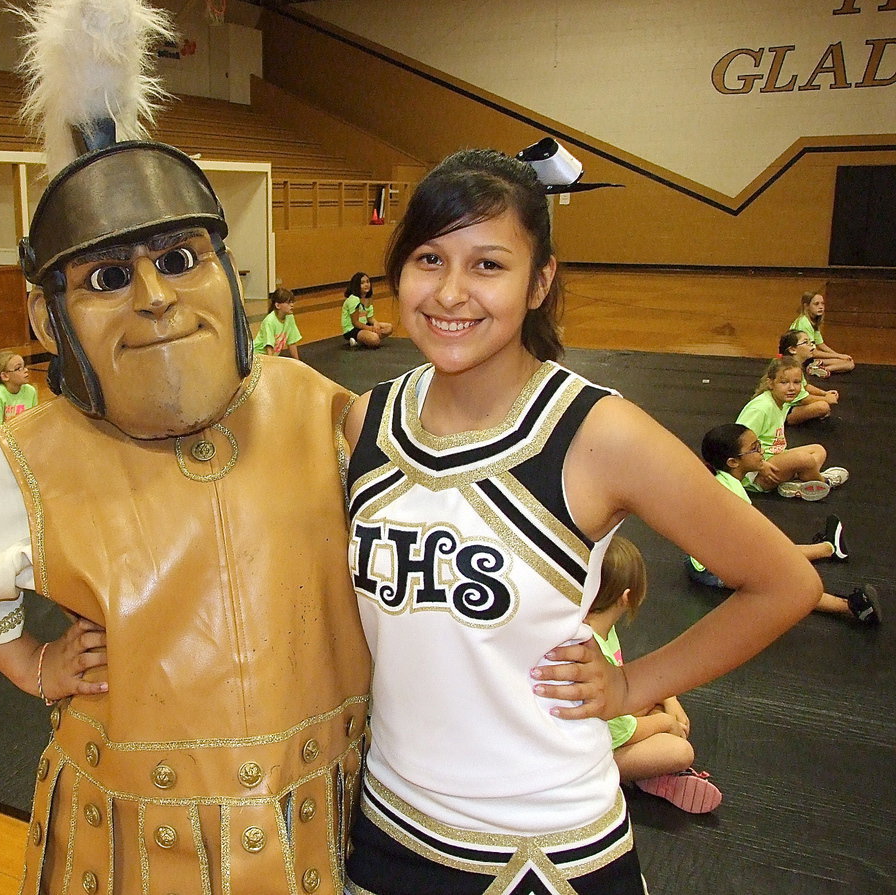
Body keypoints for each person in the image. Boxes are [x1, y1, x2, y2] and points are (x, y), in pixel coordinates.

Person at [0, 3, 394, 891]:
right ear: (49, 317)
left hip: (316, 793)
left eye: (181, 258)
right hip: (143, 824)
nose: (154, 294)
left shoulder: (306, 401)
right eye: (110, 277)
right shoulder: (42, 451)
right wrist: (34, 663)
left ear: (227, 274)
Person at [341, 147, 821, 894]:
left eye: (488, 265)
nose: (452, 291)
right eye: (430, 258)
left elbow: (783, 581)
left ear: (541, 281)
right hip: (390, 827)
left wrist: (633, 687)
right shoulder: (366, 421)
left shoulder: (597, 433)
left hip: (545, 848)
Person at [686, 423, 880, 624]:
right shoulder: (735, 498)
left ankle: (828, 549)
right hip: (710, 570)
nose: (761, 452)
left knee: (776, 554)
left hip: (710, 556)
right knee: (782, 584)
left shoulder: (722, 480)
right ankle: (851, 607)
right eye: (755, 449)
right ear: (733, 462)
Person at [586, 536, 722, 814]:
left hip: (604, 725)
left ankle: (652, 776)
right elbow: (619, 733)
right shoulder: (591, 648)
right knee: (680, 752)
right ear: (627, 597)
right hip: (587, 753)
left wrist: (666, 696)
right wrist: (662, 723)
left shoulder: (597, 628)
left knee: (657, 703)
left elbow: (623, 681)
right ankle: (649, 775)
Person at [735, 356, 848, 500]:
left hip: (774, 458)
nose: (791, 388)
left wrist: (825, 396)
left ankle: (796, 484)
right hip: (758, 473)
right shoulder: (761, 408)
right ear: (771, 383)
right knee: (805, 459)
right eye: (784, 382)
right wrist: (761, 467)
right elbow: (738, 442)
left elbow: (808, 398)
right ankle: (825, 482)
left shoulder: (783, 401)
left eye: (797, 382)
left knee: (818, 450)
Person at [777, 329, 839, 425]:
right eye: (806, 342)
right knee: (823, 406)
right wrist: (826, 399)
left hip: (791, 403)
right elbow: (802, 398)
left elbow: (805, 386)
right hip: (783, 408)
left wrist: (824, 393)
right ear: (792, 349)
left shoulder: (796, 366)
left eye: (811, 342)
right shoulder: (789, 369)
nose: (812, 346)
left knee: (823, 406)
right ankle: (786, 419)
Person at [791, 290, 854, 375]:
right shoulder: (804, 323)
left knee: (848, 362)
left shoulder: (813, 322)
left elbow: (821, 344)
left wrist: (839, 355)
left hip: (808, 358)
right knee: (848, 364)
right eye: (816, 304)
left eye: (822, 304)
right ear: (806, 306)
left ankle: (820, 369)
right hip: (799, 359)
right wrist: (839, 356)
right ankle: (818, 369)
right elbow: (813, 352)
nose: (821, 307)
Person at [0, 349, 39, 440]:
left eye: (24, 366)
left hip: (22, 437)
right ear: (5, 376)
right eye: (19, 368)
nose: (26, 370)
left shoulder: (31, 391)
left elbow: (33, 420)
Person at [341, 271, 393, 348]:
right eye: (362, 283)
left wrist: (376, 324)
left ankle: (361, 341)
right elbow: (355, 323)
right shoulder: (354, 299)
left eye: (368, 282)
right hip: (353, 329)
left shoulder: (368, 299)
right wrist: (371, 329)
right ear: (356, 285)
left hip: (365, 325)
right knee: (375, 340)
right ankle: (361, 339)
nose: (366, 285)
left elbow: (370, 318)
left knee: (389, 328)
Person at [252, 287, 302, 359]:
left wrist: (298, 362)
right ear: (277, 305)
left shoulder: (290, 317)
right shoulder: (269, 321)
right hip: (258, 356)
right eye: (288, 303)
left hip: (271, 357)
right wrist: (273, 366)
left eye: (292, 302)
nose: (292, 305)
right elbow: (269, 347)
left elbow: (291, 342)